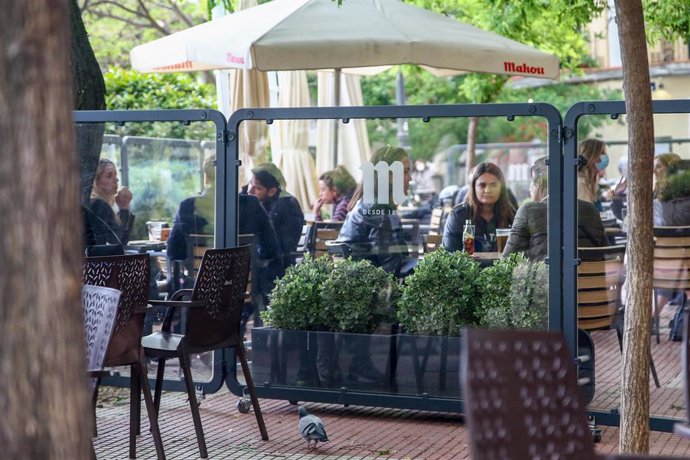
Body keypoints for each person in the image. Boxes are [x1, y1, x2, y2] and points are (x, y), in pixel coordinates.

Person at [337, 145, 417, 278]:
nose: (410, 178)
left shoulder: (367, 204)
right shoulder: (378, 211)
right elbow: (393, 268)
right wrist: (429, 266)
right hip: (374, 292)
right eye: (405, 172)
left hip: (360, 286)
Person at [502, 163, 608, 262]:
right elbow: (608, 253)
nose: (530, 188)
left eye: (531, 181)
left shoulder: (529, 210)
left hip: (546, 280)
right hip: (591, 280)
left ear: (539, 183)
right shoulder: (591, 209)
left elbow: (508, 260)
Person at [443, 162, 515, 253]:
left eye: (494, 185)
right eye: (482, 185)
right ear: (474, 187)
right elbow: (450, 254)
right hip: (467, 267)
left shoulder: (511, 215)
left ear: (501, 188)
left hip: (504, 267)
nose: (488, 190)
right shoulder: (458, 215)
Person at [248, 162, 305, 268]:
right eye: (250, 183)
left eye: (257, 188)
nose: (249, 191)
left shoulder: (286, 205)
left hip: (277, 271)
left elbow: (276, 249)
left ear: (272, 191)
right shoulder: (266, 202)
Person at [89, 158, 134, 246]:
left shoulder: (97, 203)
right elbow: (118, 242)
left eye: (115, 175)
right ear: (96, 182)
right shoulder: (99, 205)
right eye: (109, 176)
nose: (116, 180)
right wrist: (123, 207)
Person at [577, 138, 608, 209]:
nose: (604, 157)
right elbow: (584, 213)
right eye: (602, 153)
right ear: (591, 156)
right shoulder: (580, 183)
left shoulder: (592, 180)